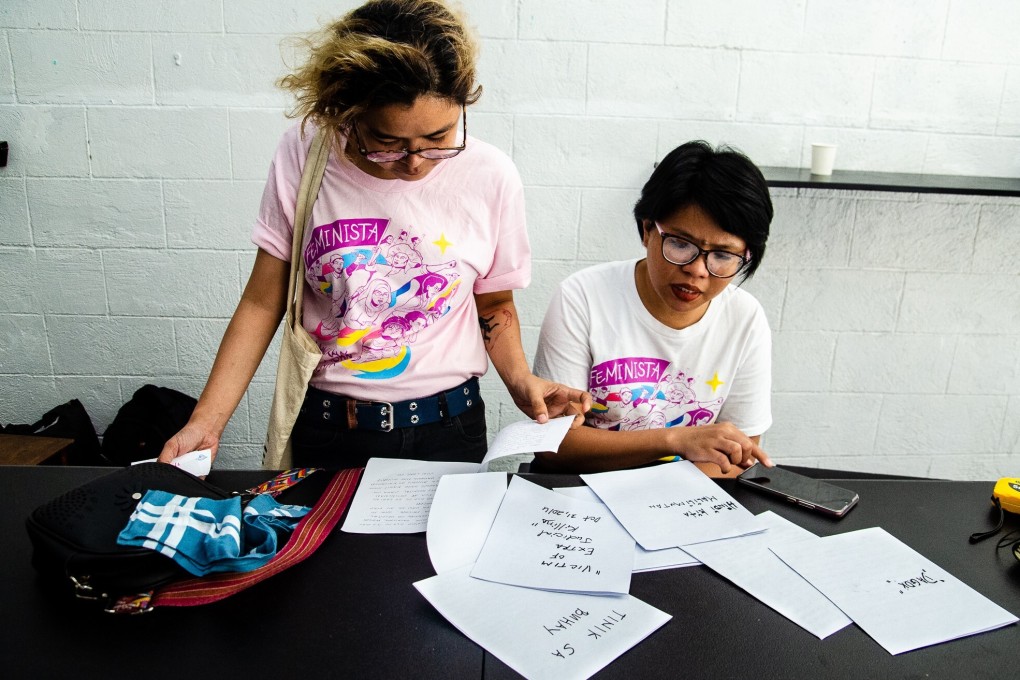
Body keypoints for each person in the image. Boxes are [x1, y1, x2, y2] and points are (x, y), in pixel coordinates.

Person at [159, 0, 589, 470]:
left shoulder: (492, 175)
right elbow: (263, 303)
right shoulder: (305, 155)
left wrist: (521, 381)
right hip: (330, 428)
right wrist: (206, 422)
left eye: (438, 138)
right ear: (347, 112)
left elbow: (493, 304)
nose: (415, 161)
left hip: (450, 428)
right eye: (388, 142)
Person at [532, 140, 775, 477]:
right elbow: (554, 446)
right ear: (647, 229)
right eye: (680, 244)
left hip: (688, 499)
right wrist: (675, 440)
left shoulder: (745, 318)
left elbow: (738, 455)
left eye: (723, 255)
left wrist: (664, 501)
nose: (697, 270)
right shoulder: (582, 297)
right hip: (581, 495)